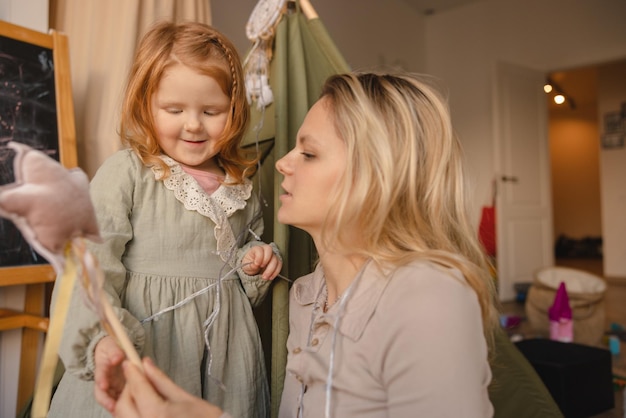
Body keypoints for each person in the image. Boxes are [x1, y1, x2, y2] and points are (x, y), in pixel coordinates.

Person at [107, 71, 500, 418]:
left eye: (309, 153)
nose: (283, 162)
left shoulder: (430, 299)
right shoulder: (307, 296)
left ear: (377, 178)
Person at [48, 21, 282, 418]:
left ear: (235, 110)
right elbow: (87, 264)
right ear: (146, 104)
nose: (193, 124)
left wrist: (255, 263)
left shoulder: (242, 187)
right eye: (174, 110)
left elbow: (242, 265)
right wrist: (100, 339)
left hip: (225, 363)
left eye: (212, 111)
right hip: (145, 352)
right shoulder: (129, 172)